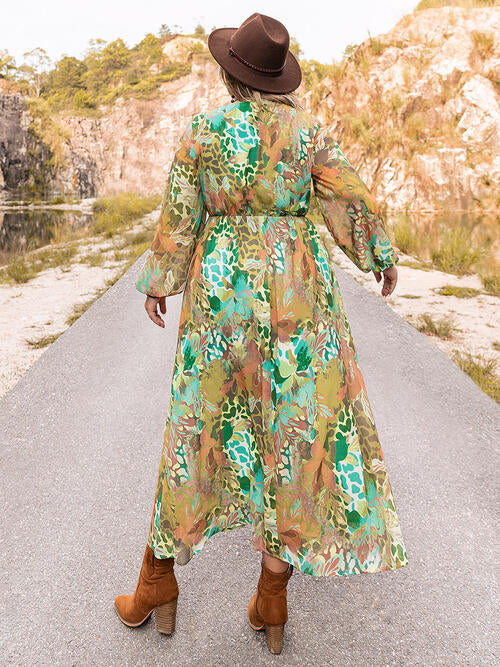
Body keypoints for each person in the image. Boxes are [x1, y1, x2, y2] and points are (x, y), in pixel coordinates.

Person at [114, 12, 409, 655]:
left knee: (199, 426)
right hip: (298, 290)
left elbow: (180, 213)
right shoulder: (308, 133)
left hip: (222, 292)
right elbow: (348, 198)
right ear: (277, 79)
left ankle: (157, 578)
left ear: (230, 74)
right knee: (295, 432)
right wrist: (379, 254)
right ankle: (272, 595)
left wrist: (160, 280)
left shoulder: (205, 130)